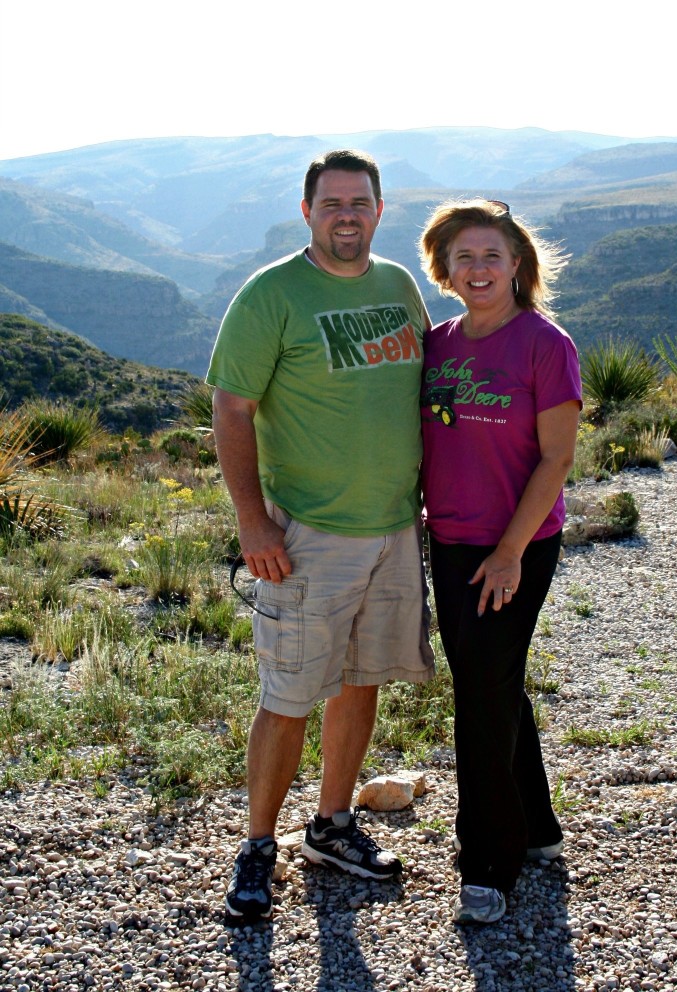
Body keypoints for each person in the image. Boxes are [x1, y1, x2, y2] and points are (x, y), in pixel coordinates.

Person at [207, 149, 435, 924]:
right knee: (290, 694)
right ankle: (257, 847)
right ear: (307, 211)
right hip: (309, 533)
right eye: (332, 203)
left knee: (363, 675)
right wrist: (251, 518)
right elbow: (232, 409)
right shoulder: (271, 294)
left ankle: (334, 823)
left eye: (360, 202)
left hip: (396, 528)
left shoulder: (398, 284)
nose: (347, 215)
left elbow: (423, 387)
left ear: (380, 209)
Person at [418, 199, 581, 924]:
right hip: (449, 541)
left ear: (517, 264)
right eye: (464, 257)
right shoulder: (440, 343)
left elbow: (557, 457)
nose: (478, 268)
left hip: (515, 546)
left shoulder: (546, 345)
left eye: (492, 255)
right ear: (445, 270)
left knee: (480, 694)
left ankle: (490, 862)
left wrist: (512, 551)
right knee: (492, 682)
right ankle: (537, 827)